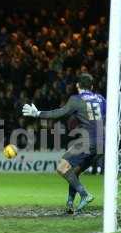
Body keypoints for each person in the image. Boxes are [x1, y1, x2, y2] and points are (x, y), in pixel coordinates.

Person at [22, 73, 106, 214]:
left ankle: (85, 195)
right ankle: (69, 203)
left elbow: (60, 113)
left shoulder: (76, 99)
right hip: (102, 144)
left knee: (62, 167)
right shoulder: (101, 99)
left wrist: (37, 114)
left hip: (88, 141)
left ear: (77, 86)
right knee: (73, 172)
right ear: (91, 87)